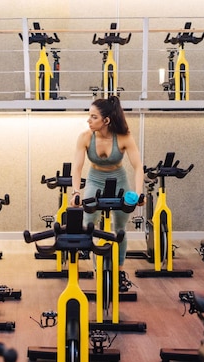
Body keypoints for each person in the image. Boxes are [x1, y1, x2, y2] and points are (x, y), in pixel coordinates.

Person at [70, 96, 144, 291]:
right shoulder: (85, 137)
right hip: (95, 179)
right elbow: (77, 167)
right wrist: (76, 192)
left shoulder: (124, 137)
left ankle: (118, 272)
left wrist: (139, 193)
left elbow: (138, 166)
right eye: (89, 116)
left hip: (119, 179)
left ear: (106, 120)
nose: (89, 120)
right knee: (89, 224)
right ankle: (98, 272)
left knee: (119, 227)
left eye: (93, 117)